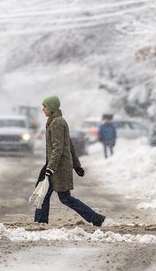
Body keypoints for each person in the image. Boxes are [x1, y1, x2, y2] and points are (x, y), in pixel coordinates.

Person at [34, 95, 105, 227]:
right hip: (55, 166)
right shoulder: (55, 121)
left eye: (45, 106)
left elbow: (58, 148)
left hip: (57, 168)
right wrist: (77, 165)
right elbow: (69, 145)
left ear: (52, 108)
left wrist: (50, 168)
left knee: (60, 197)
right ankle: (40, 222)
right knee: (46, 195)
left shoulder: (57, 123)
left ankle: (40, 222)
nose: (43, 109)